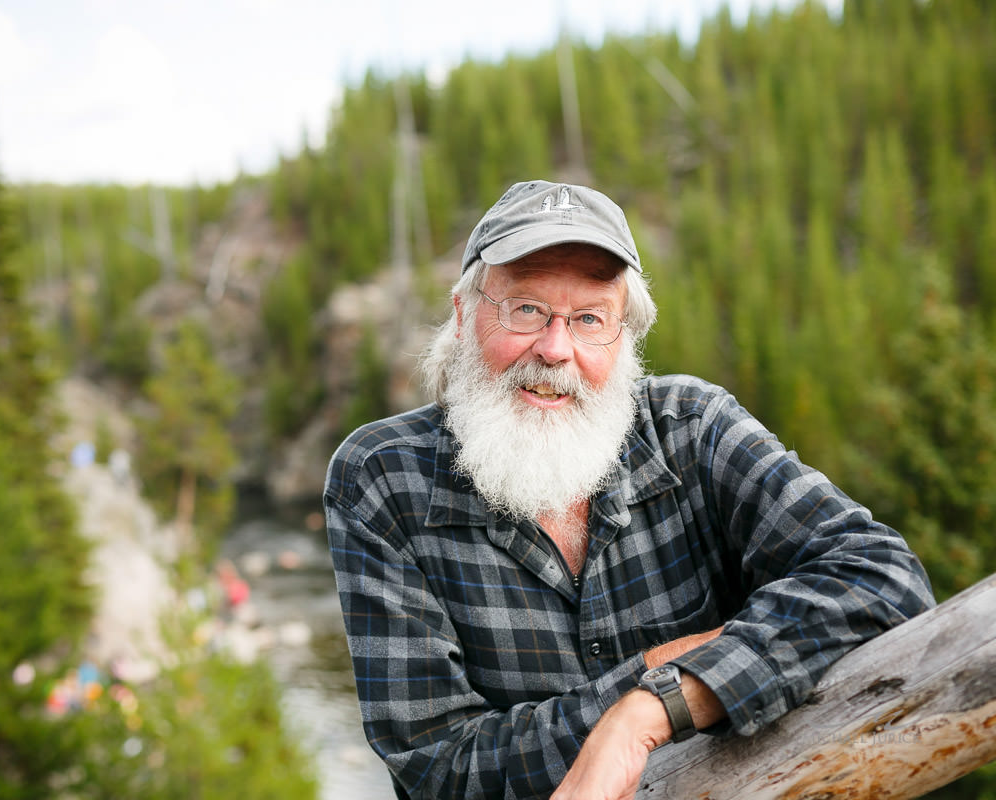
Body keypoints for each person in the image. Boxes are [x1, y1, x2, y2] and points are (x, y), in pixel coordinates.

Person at [323, 179, 935, 799]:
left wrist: (649, 710)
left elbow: (885, 578)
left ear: (625, 339)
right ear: (463, 314)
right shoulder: (381, 478)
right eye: (526, 309)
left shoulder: (691, 427)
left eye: (589, 319)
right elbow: (440, 767)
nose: (555, 350)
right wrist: (665, 670)